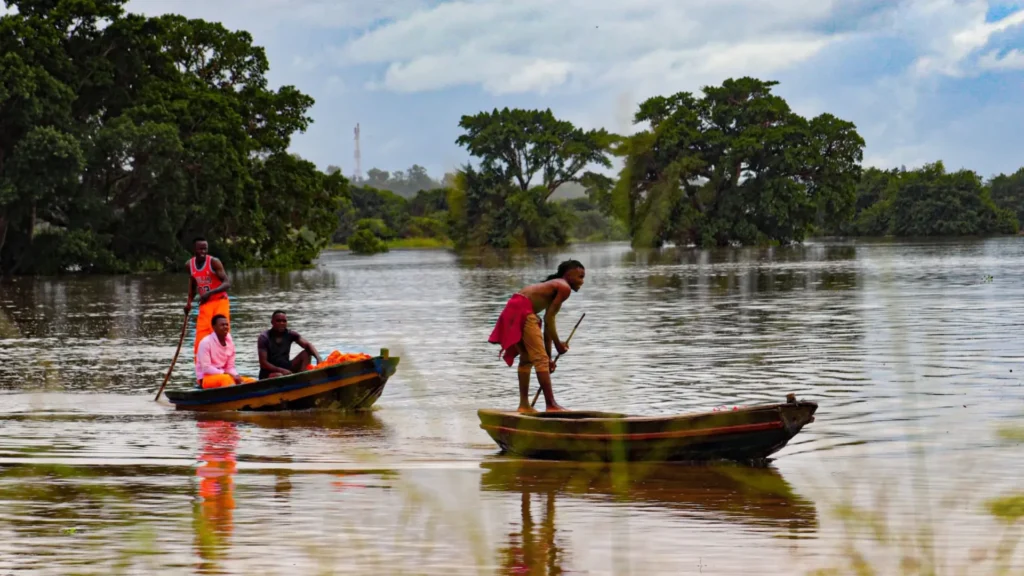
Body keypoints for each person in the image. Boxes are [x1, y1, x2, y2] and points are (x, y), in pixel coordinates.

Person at [488, 259, 585, 413]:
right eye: (580, 276)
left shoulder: (553, 287)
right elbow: (549, 320)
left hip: (512, 310)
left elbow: (548, 326)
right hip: (523, 311)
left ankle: (524, 406)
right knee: (539, 360)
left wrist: (549, 357)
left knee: (527, 359)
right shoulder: (564, 287)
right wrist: (558, 346)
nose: (582, 281)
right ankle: (551, 405)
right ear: (569, 275)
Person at [184, 237, 231, 363]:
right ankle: (201, 371)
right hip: (205, 304)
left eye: (205, 248)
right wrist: (188, 303)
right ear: (194, 249)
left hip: (220, 301)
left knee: (220, 333)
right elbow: (193, 287)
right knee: (201, 336)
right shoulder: (189, 265)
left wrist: (210, 293)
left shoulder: (214, 262)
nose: (203, 251)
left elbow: (227, 283)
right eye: (200, 249)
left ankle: (224, 366)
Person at [257, 310, 323, 379]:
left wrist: (318, 358)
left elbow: (307, 345)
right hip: (269, 373)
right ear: (272, 322)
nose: (281, 323)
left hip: (286, 367)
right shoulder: (264, 337)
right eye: (278, 321)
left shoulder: (290, 334)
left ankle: (303, 378)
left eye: (284, 321)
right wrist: (281, 370)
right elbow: (263, 363)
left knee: (307, 353)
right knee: (279, 376)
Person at [196, 315, 254, 389]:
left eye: (227, 324)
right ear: (214, 327)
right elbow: (206, 368)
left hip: (226, 375)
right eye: (222, 325)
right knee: (226, 379)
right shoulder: (205, 342)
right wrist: (226, 374)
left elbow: (230, 367)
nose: (225, 327)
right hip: (206, 378)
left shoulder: (230, 343)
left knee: (251, 381)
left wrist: (236, 376)